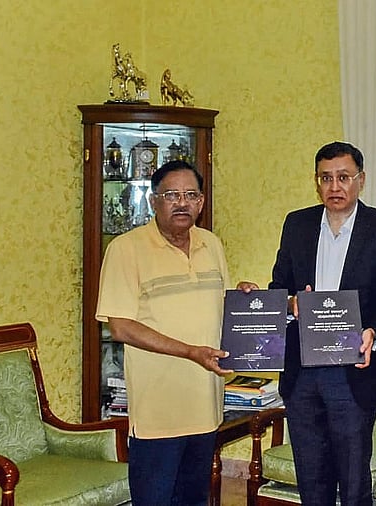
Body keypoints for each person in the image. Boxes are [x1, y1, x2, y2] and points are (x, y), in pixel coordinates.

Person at [268, 141, 376, 506]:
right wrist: (288, 302)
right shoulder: (297, 224)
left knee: (352, 480)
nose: (335, 186)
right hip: (302, 371)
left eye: (344, 177)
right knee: (311, 478)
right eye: (326, 178)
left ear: (361, 180)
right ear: (316, 182)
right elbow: (278, 286)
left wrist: (375, 333)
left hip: (354, 371)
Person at [96, 160, 232, 504]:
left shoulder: (211, 244)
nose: (182, 203)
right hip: (158, 413)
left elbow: (224, 310)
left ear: (201, 203)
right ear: (153, 201)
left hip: (205, 406)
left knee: (194, 500)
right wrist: (189, 351)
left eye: (191, 195)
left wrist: (250, 298)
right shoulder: (125, 249)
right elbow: (122, 327)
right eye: (171, 195)